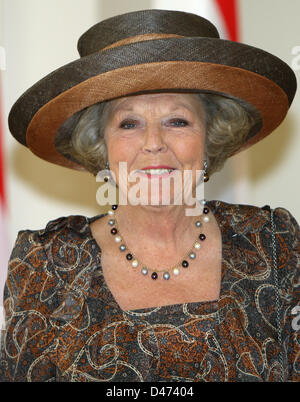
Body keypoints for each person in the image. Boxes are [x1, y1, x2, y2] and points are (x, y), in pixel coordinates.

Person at [0, 9, 299, 382]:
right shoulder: (47, 265)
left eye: (178, 121)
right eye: (129, 123)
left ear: (210, 138)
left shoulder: (272, 241)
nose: (154, 144)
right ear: (100, 144)